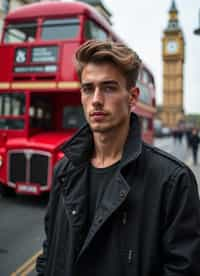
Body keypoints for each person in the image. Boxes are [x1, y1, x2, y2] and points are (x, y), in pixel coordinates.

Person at [36, 40, 200, 276]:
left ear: (132, 97)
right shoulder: (63, 170)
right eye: (88, 88)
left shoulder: (173, 181)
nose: (96, 99)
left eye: (109, 87)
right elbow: (49, 253)